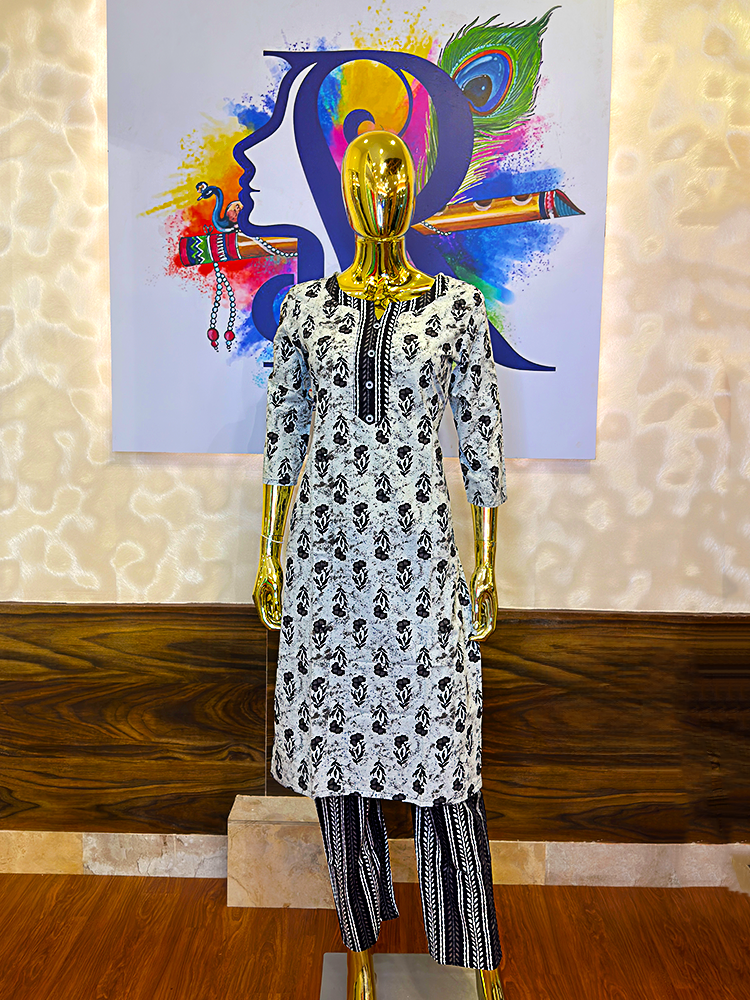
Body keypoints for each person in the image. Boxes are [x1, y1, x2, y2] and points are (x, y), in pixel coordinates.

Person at [254, 128, 507, 1000]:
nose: (382, 190)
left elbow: (481, 441)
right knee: (340, 765)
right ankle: (358, 949)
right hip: (327, 565)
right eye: (366, 176)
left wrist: (485, 565)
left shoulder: (457, 310)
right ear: (344, 191)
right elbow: (284, 437)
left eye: (396, 173)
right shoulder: (306, 311)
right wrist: (268, 554)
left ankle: (475, 956)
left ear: (416, 186)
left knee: (444, 754)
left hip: (421, 562)